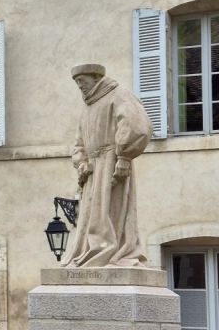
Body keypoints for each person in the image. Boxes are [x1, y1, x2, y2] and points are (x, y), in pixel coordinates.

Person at [62, 63, 152, 268]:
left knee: (112, 209)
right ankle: (90, 253)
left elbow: (137, 126)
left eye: (82, 81)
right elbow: (78, 143)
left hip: (112, 161)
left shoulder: (118, 95)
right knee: (89, 217)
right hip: (92, 169)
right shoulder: (87, 107)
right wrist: (82, 162)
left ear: (95, 78)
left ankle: (114, 253)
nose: (80, 86)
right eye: (77, 83)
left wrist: (124, 158)